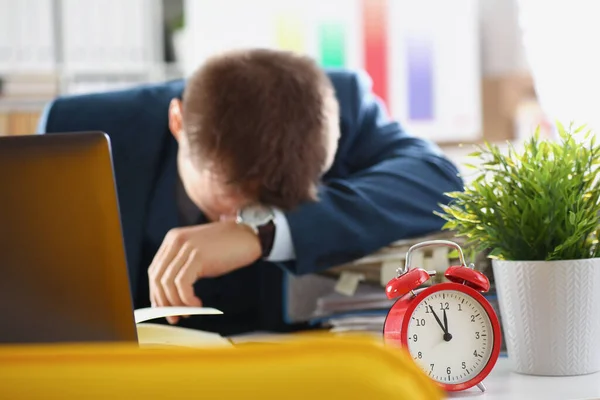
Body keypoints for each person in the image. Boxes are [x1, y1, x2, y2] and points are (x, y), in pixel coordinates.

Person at [38, 49, 464, 336]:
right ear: (177, 122)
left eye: (265, 203)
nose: (239, 215)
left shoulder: (337, 104)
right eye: (229, 195)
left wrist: (263, 233)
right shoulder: (79, 127)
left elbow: (438, 178)